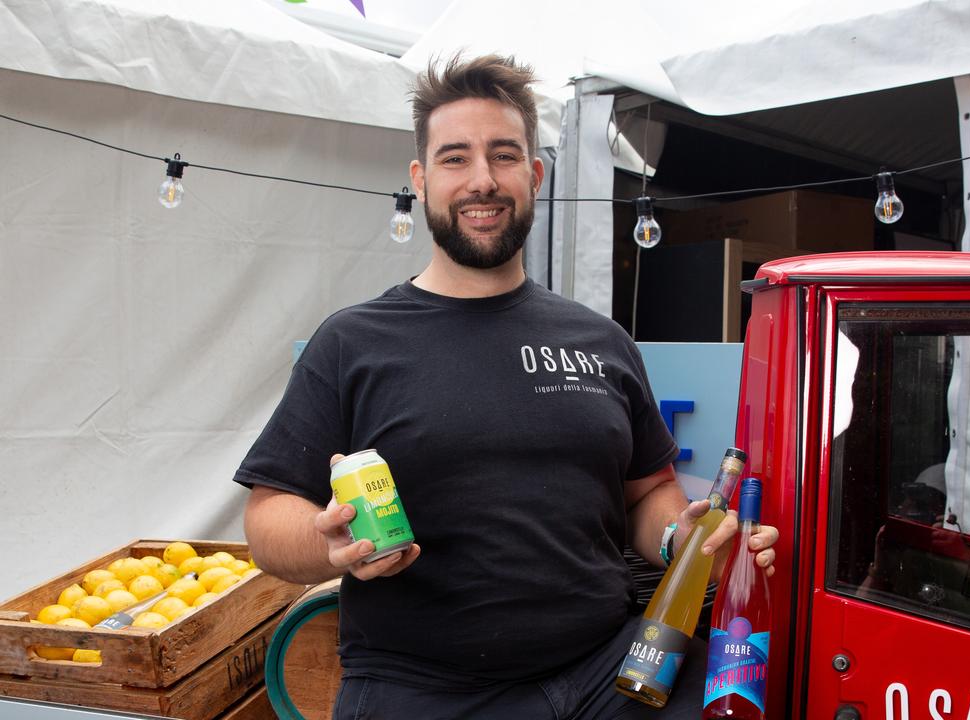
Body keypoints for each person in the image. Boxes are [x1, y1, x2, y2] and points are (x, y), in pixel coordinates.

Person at [234, 54, 778, 720]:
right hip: (423, 690)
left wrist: (680, 538)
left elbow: (648, 494)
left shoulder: (602, 343)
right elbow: (266, 520)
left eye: (504, 155)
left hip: (608, 672)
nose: (482, 181)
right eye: (455, 158)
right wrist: (331, 545)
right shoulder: (353, 343)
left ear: (535, 174)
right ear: (422, 177)